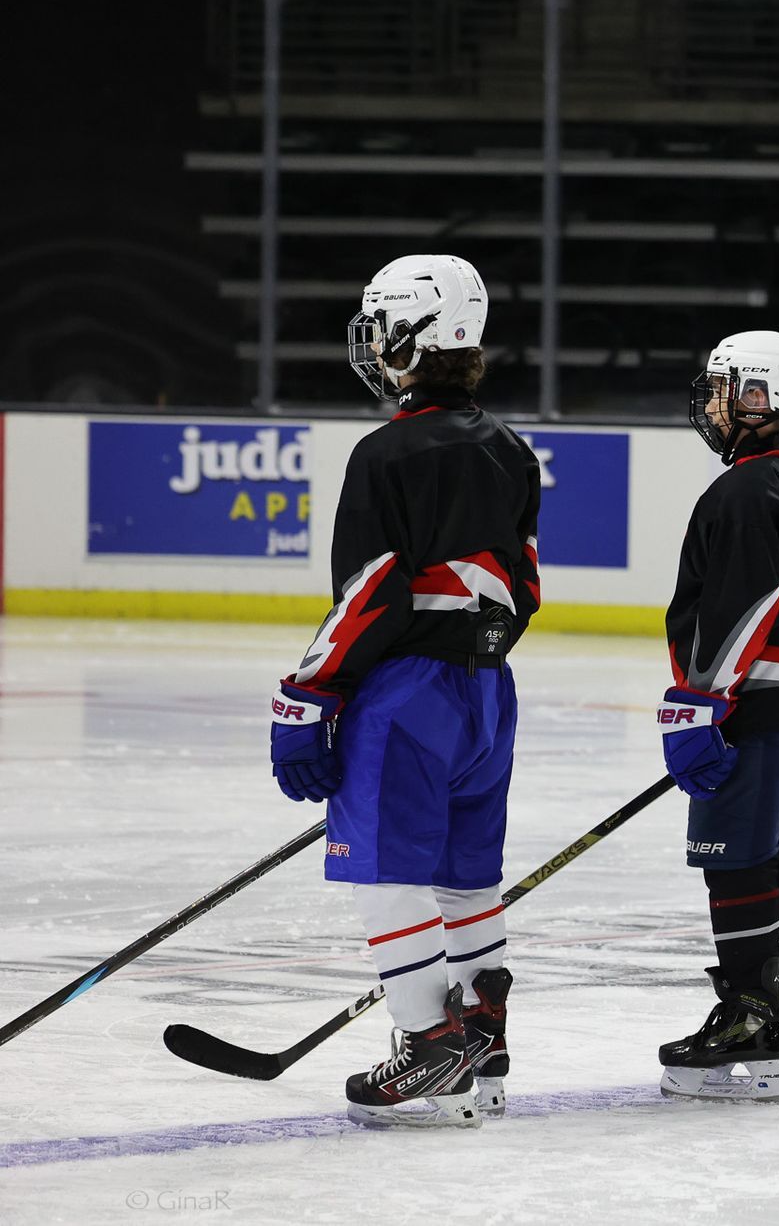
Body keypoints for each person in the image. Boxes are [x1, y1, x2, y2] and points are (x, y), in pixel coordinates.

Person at [270, 254, 541, 1128]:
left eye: (381, 323)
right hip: (489, 694)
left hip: (409, 698)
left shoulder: (385, 451)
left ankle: (427, 1043)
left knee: (387, 875)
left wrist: (307, 697)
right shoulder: (510, 448)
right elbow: (523, 585)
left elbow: (370, 591)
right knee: (467, 879)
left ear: (413, 337)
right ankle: (482, 1042)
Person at [656, 330, 779, 1103]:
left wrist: (699, 706)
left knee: (733, 857)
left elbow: (740, 606)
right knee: (771, 856)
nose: (712, 401)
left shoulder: (742, 490)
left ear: (761, 398)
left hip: (751, 697)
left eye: (725, 386)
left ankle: (751, 1015)